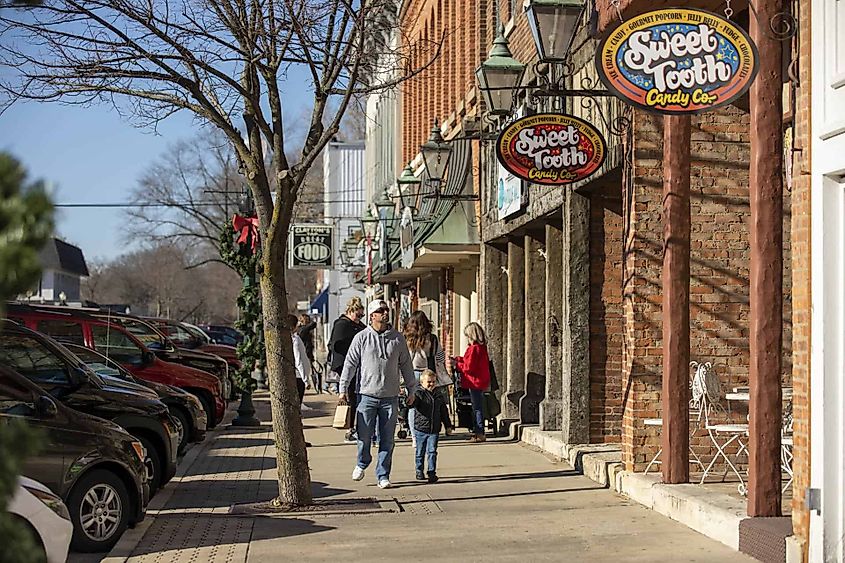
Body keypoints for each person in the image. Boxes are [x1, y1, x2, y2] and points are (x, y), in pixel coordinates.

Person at [339, 299, 415, 489]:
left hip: (390, 397)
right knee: (364, 436)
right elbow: (350, 364)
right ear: (372, 315)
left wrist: (412, 389)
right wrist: (342, 390)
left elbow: (406, 365)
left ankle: (383, 474)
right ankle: (362, 462)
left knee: (387, 439)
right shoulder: (362, 337)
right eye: (380, 311)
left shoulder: (397, 338)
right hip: (367, 395)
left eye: (386, 310)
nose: (385, 313)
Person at [403, 310, 453, 442]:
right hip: (428, 374)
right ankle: (429, 430)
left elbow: (401, 358)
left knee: (413, 405)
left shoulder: (406, 339)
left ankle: (415, 436)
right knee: (431, 404)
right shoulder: (432, 339)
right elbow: (440, 357)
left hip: (411, 374)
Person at [328, 297, 366, 440]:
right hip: (346, 365)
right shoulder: (342, 324)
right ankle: (350, 428)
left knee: (356, 396)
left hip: (358, 365)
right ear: (350, 311)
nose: (359, 318)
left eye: (361, 315)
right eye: (357, 315)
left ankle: (355, 427)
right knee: (351, 396)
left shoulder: (358, 326)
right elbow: (335, 345)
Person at [452, 322, 491, 443]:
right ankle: (478, 431)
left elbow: (469, 367)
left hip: (474, 381)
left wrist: (457, 364)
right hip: (480, 380)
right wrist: (459, 359)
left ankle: (479, 432)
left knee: (477, 408)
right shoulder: (481, 347)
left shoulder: (474, 349)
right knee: (477, 406)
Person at [410, 369, 450, 483]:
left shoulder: (438, 395)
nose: (431, 384)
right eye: (429, 382)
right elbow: (412, 404)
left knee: (432, 451)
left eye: (433, 382)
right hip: (421, 428)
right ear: (422, 383)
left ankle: (432, 472)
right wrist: (407, 402)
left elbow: (444, 411)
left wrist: (448, 425)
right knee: (420, 452)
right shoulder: (419, 394)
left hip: (434, 428)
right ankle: (419, 470)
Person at [289, 314, 312, 447]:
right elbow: (299, 360)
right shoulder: (295, 340)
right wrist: (305, 379)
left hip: (296, 377)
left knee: (295, 410)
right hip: (298, 378)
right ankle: (297, 439)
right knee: (296, 411)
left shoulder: (293, 339)